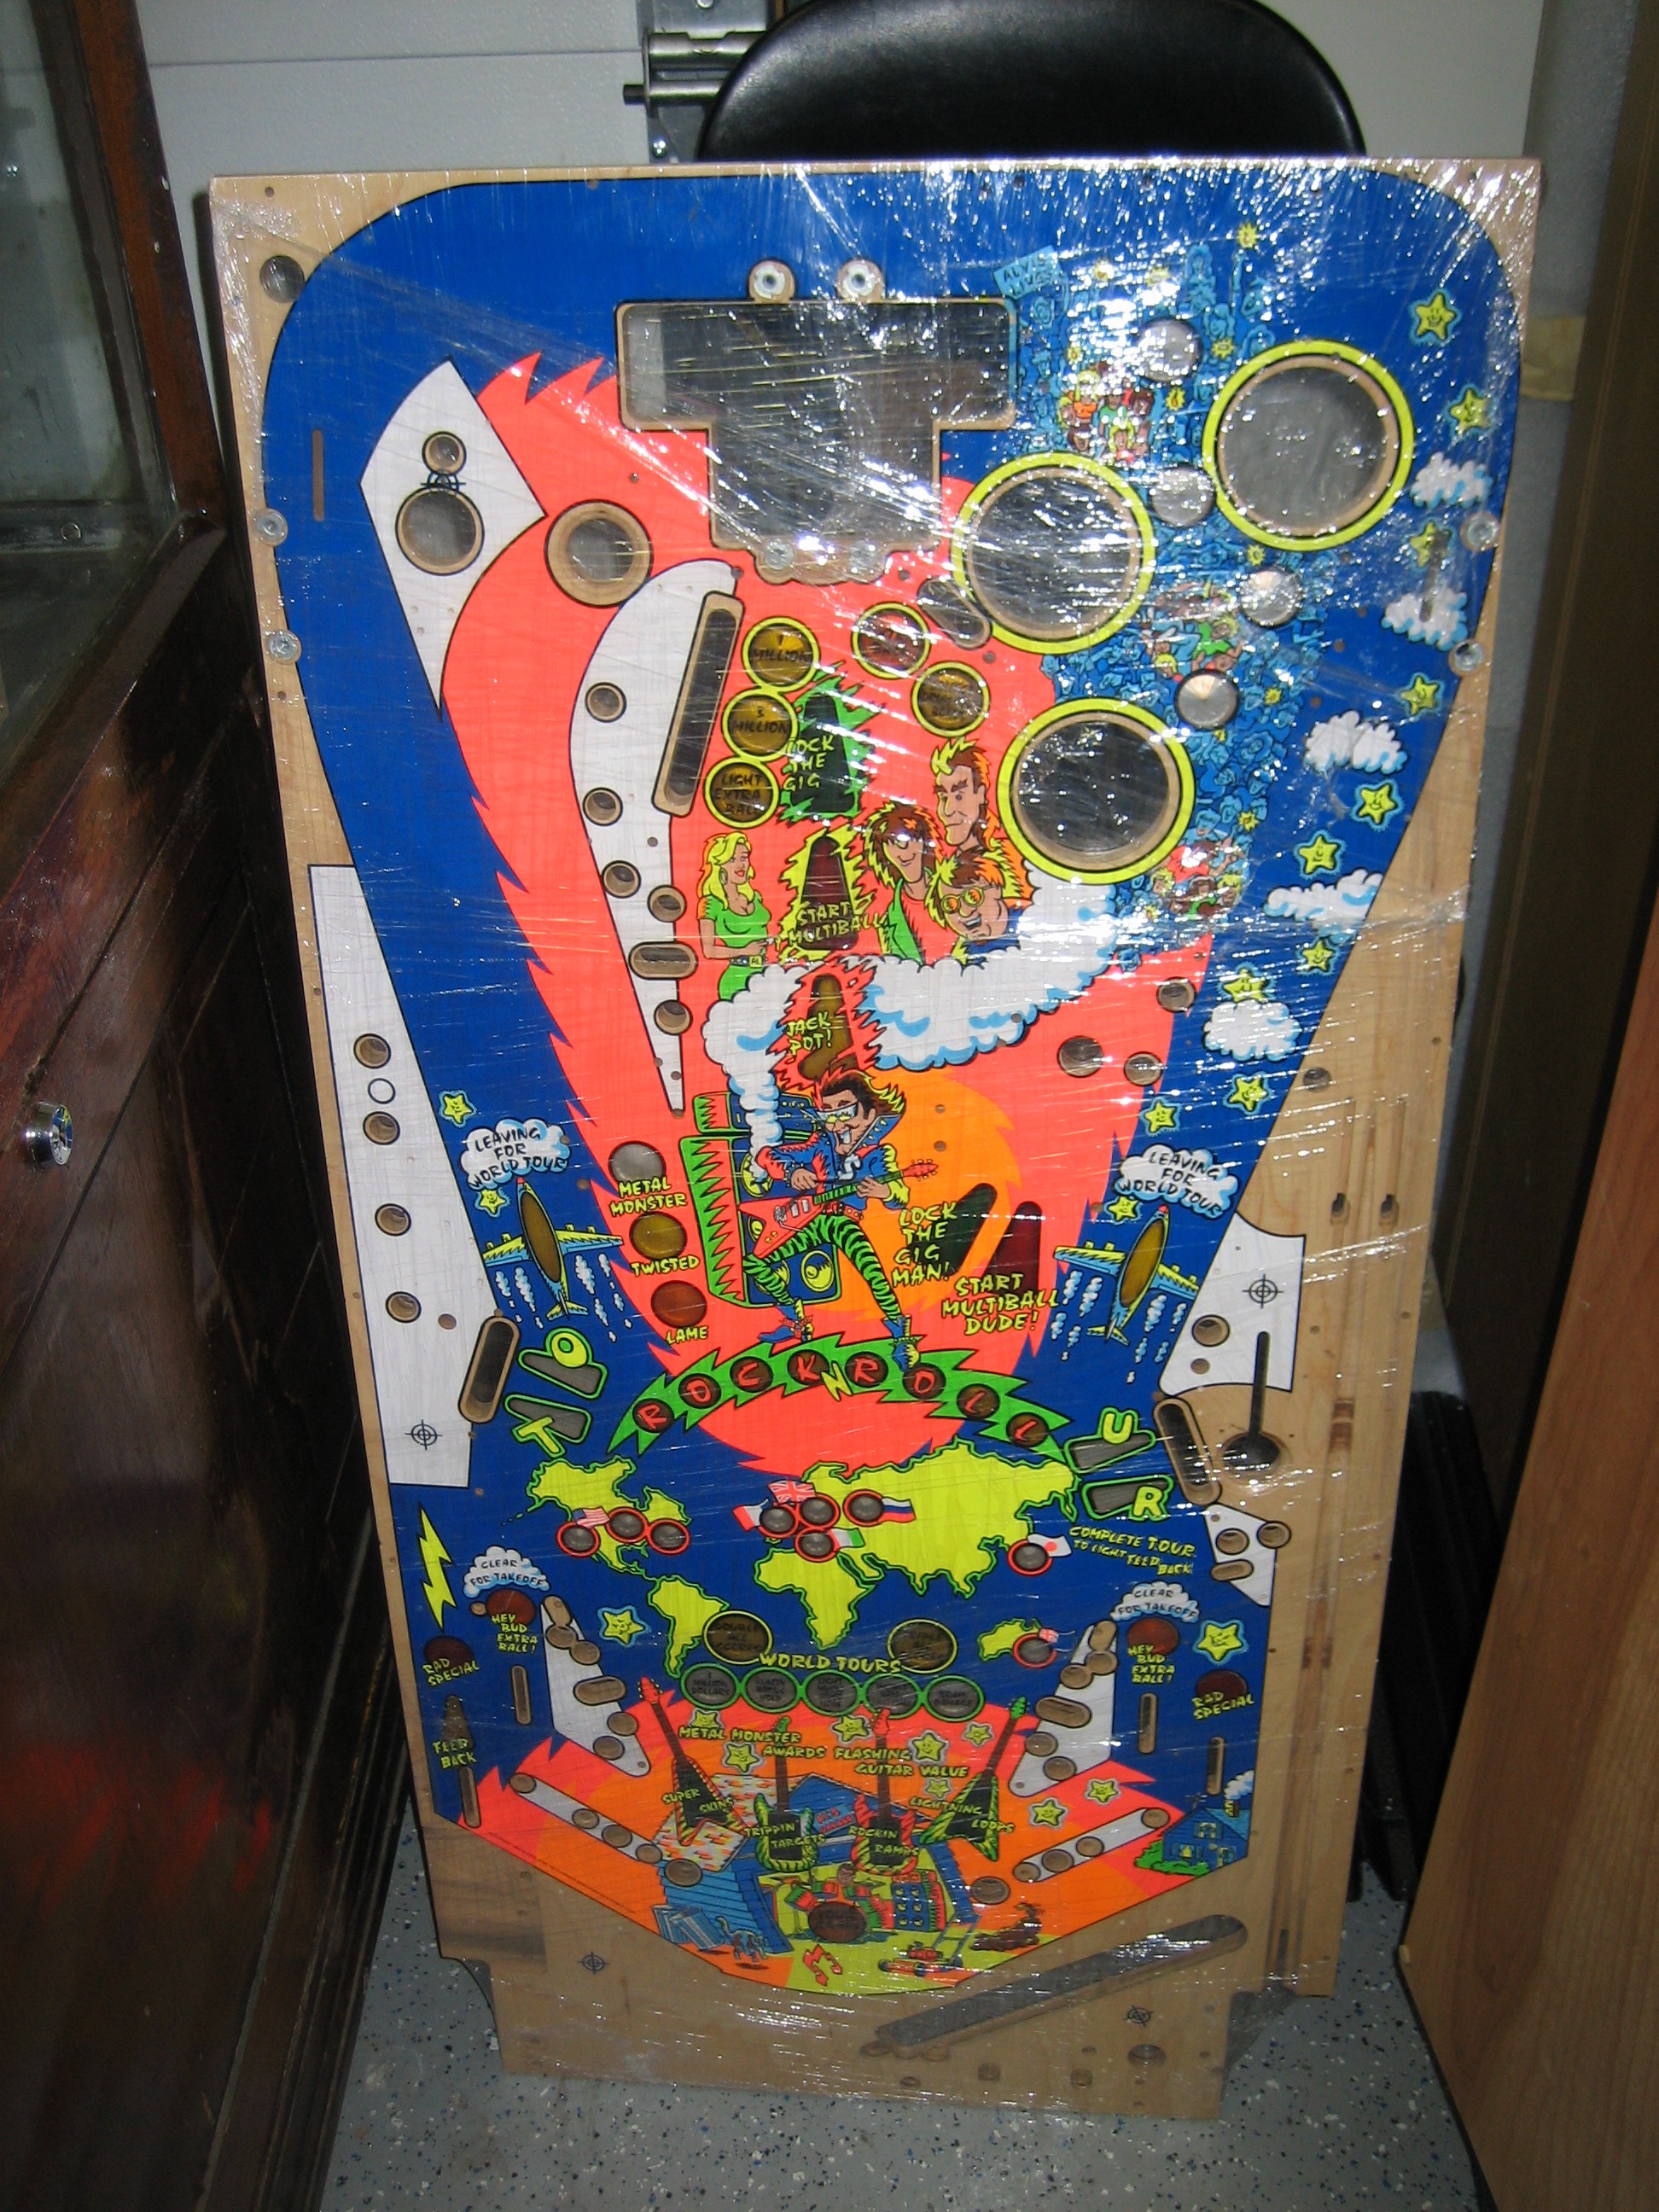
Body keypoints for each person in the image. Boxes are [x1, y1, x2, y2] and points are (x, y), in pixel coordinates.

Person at [744, 1068, 913, 1361]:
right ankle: (795, 1321)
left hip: (845, 1222)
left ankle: (903, 1339)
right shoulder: (821, 1144)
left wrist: (884, 1191)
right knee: (754, 1262)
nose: (836, 1122)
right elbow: (767, 1155)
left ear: (870, 1115)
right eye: (828, 1113)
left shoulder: (878, 1154)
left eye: (844, 1110)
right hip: (811, 1220)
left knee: (874, 1275)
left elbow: (901, 1196)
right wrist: (792, 1171)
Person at [929, 736, 1030, 906]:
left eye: (959, 796)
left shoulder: (1009, 859)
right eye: (943, 797)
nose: (947, 810)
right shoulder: (944, 870)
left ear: (981, 794)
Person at [861, 800, 940, 962]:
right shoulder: (891, 917)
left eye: (910, 839)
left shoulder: (950, 888)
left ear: (925, 842)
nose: (903, 852)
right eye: (892, 843)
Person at [698, 832, 771, 999]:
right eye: (732, 860)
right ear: (719, 866)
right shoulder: (710, 904)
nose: (740, 865)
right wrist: (745, 950)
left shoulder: (755, 897)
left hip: (765, 976)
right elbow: (709, 951)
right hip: (737, 980)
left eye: (743, 858)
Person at [930, 849, 1023, 962]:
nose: (965, 912)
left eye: (972, 896)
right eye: (950, 905)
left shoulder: (1024, 923)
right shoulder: (961, 956)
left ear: (995, 888)